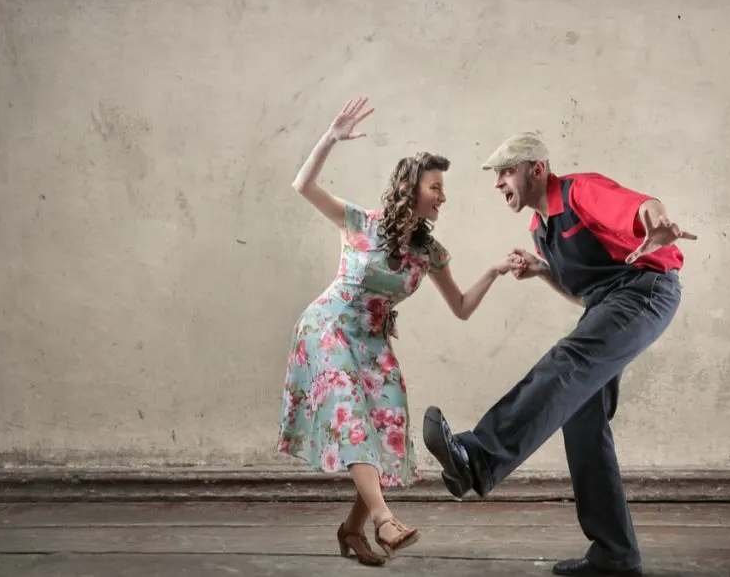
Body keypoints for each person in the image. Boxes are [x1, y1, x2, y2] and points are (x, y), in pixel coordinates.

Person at [421, 131, 698, 576]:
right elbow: (584, 294)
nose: (498, 183)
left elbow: (638, 205)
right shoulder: (539, 229)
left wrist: (658, 221)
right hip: (609, 305)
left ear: (537, 169)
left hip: (646, 291)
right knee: (582, 416)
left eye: (506, 172)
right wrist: (543, 272)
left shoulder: (579, 191)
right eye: (495, 176)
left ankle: (480, 456)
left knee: (570, 362)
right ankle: (615, 554)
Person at [276, 97, 518, 567]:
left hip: (371, 341)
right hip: (328, 328)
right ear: (412, 187)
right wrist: (330, 138)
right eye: (436, 186)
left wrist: (493, 271)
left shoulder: (430, 254)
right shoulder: (359, 222)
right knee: (349, 412)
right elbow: (303, 184)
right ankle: (385, 521)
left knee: (388, 426)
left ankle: (351, 529)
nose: (443, 196)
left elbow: (462, 307)